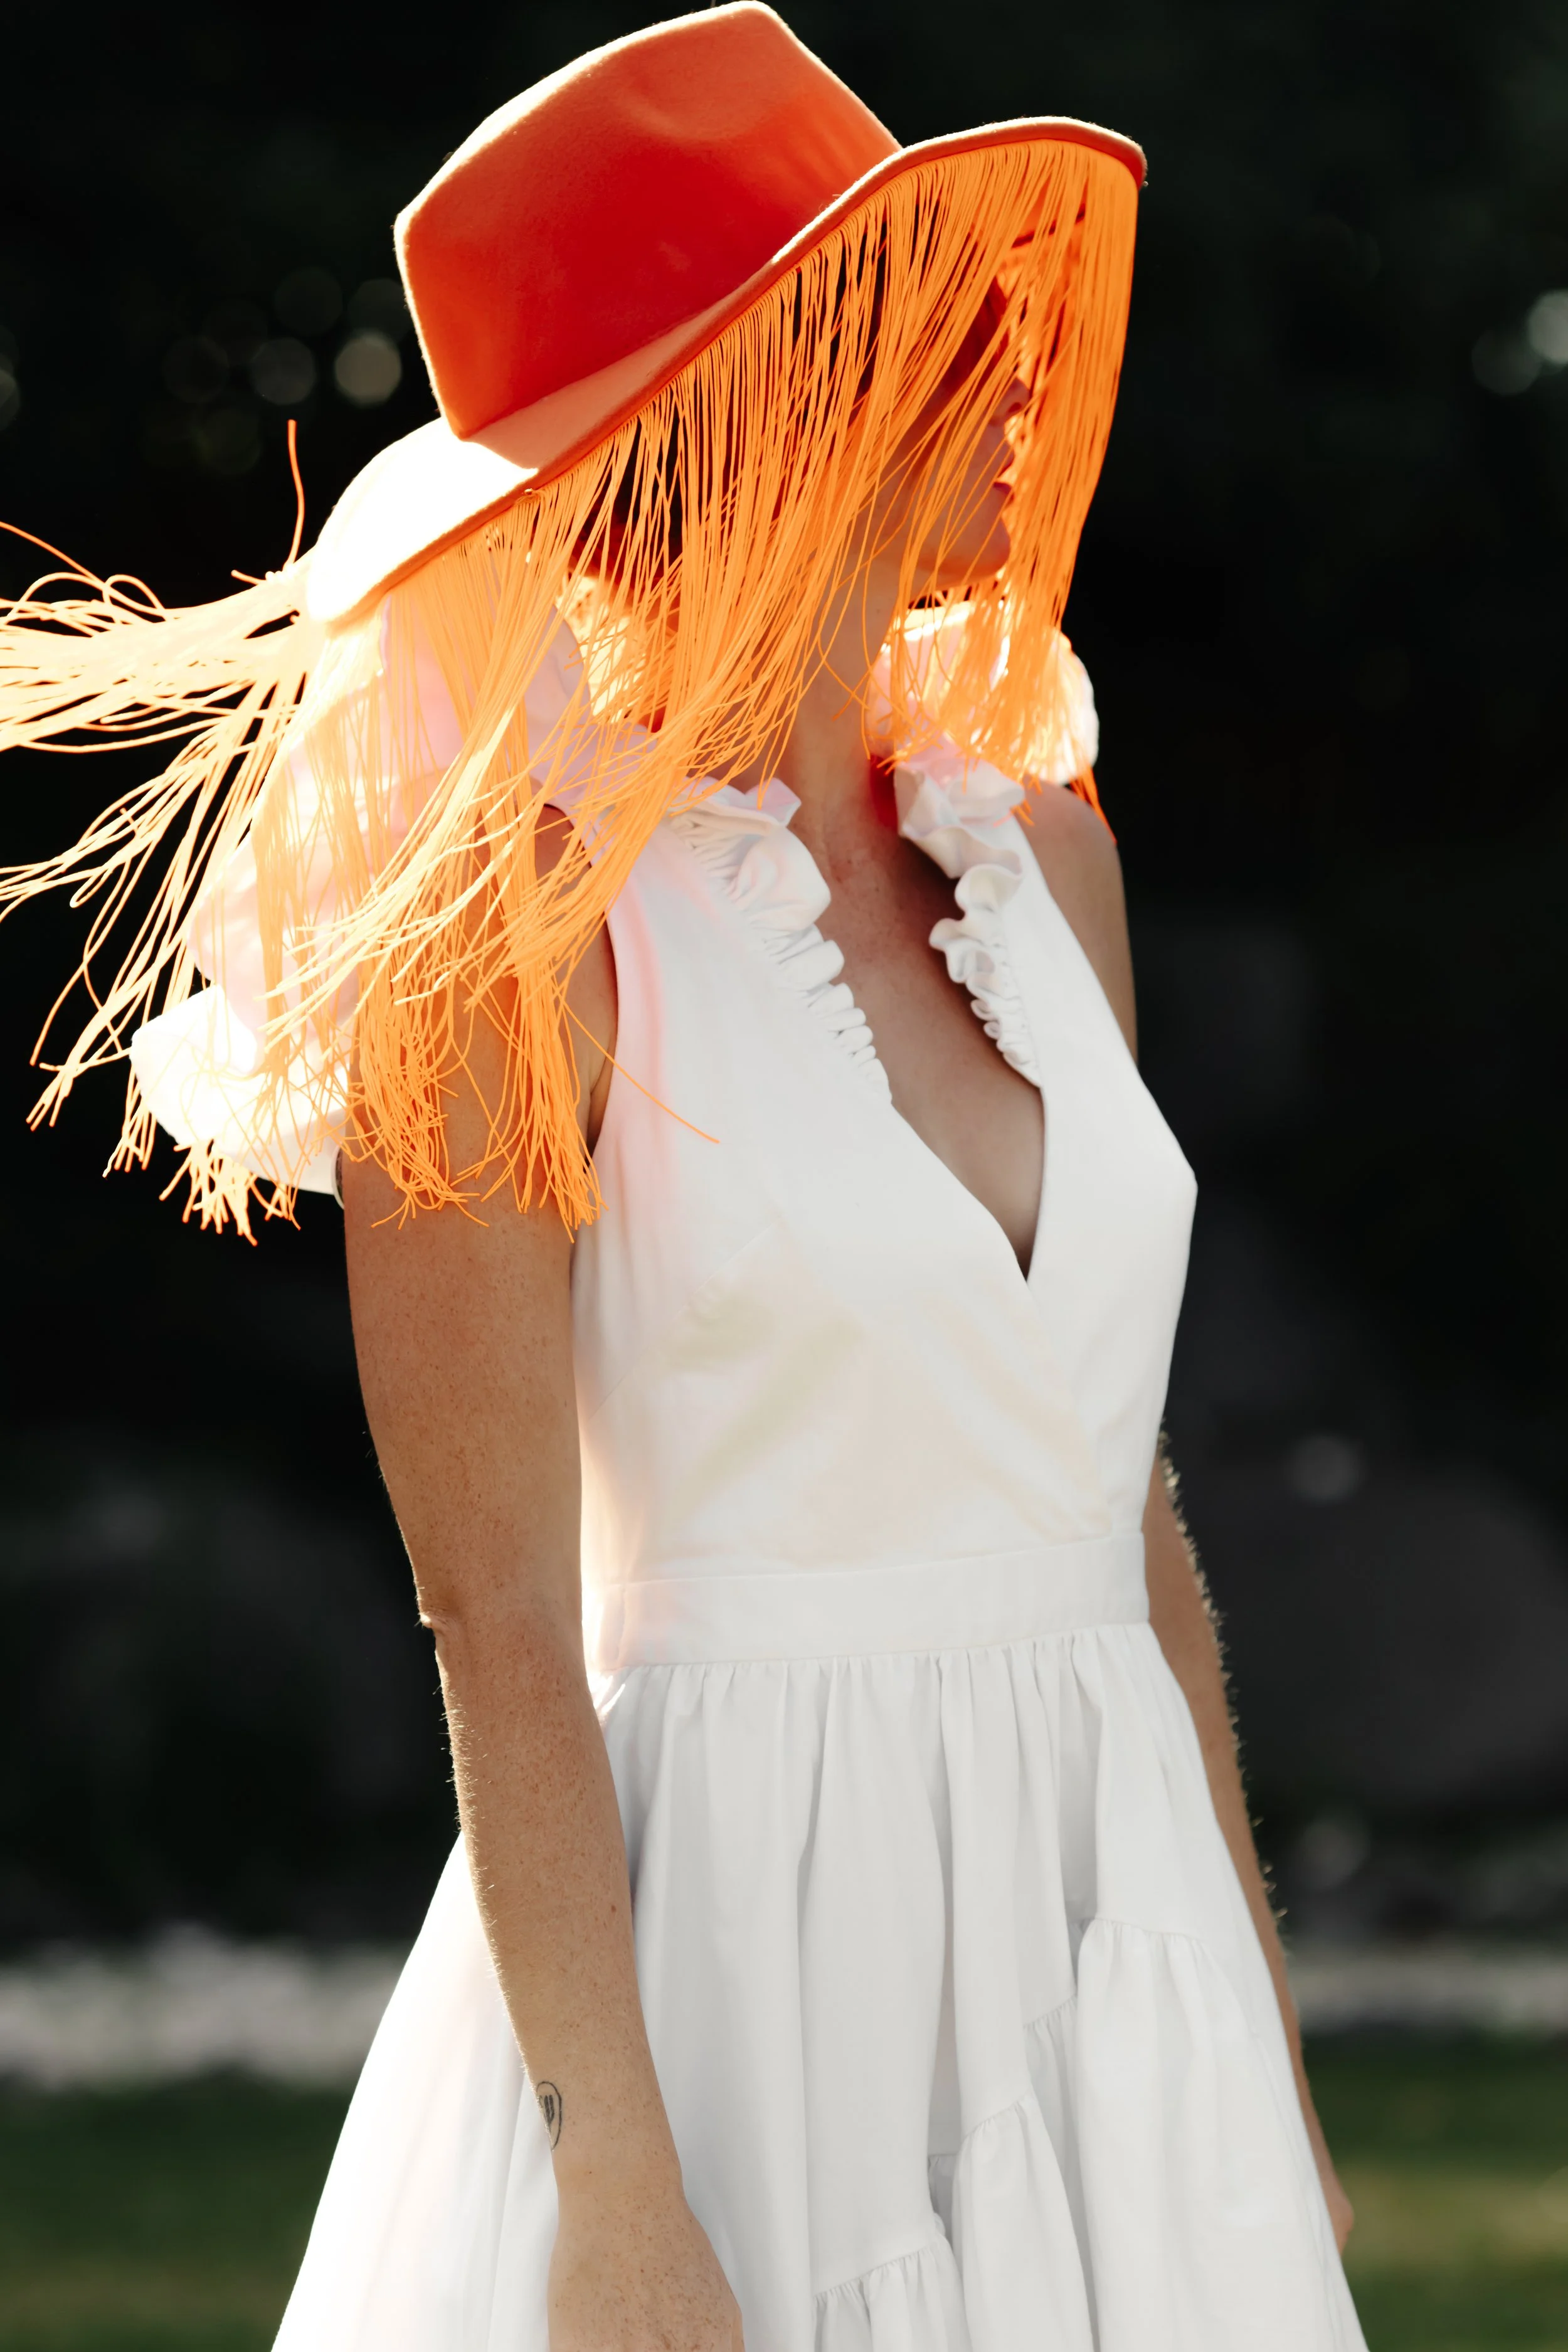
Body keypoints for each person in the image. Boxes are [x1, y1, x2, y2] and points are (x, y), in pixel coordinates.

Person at [0, 9, 1365, 2347]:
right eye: (932, 313)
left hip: (1116, 1946)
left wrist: (1248, 2022)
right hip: (744, 1970)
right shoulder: (508, 952)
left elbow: (1109, 1488)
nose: (1021, 364)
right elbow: (496, 1616)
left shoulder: (1044, 855)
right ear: (772, 401)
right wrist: (615, 2175)